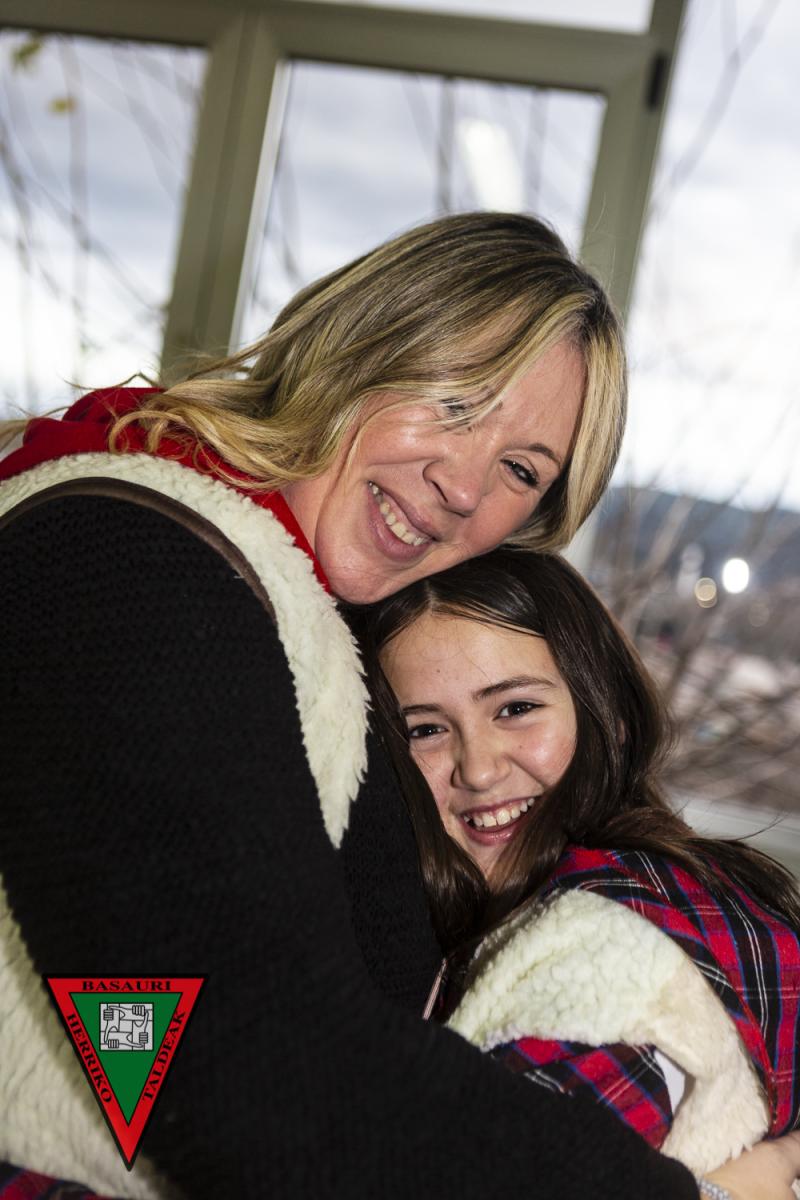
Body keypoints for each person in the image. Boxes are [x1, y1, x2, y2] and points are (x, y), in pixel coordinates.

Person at [0, 210, 793, 1200]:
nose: (462, 487)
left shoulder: (296, 618)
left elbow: (163, 1029)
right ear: (356, 345)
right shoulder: (133, 565)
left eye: (520, 470)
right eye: (454, 401)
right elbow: (237, 1075)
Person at [363, 546, 800, 1180]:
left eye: (515, 708)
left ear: (608, 714)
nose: (478, 769)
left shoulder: (605, 954)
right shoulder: (679, 883)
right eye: (425, 730)